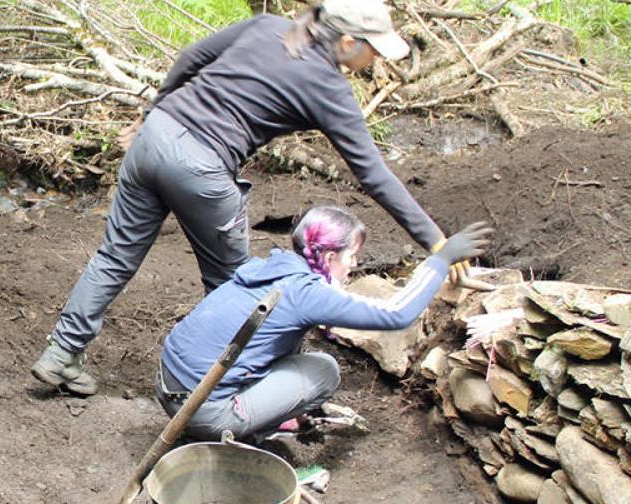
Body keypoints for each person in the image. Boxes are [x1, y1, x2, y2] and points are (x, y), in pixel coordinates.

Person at [31, 0, 465, 396]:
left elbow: (190, 58)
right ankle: (223, 392)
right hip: (203, 171)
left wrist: (155, 112)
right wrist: (435, 240)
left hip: (155, 138)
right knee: (241, 288)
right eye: (374, 50)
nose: (376, 61)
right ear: (348, 41)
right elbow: (372, 173)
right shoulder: (329, 88)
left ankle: (61, 355)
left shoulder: (267, 26)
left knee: (115, 256)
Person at [158, 206, 492, 441]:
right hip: (200, 411)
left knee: (292, 352)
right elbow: (395, 313)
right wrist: (440, 261)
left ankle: (266, 413)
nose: (355, 265)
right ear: (330, 258)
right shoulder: (306, 293)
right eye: (352, 256)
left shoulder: (274, 266)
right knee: (324, 370)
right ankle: (247, 429)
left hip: (169, 384)